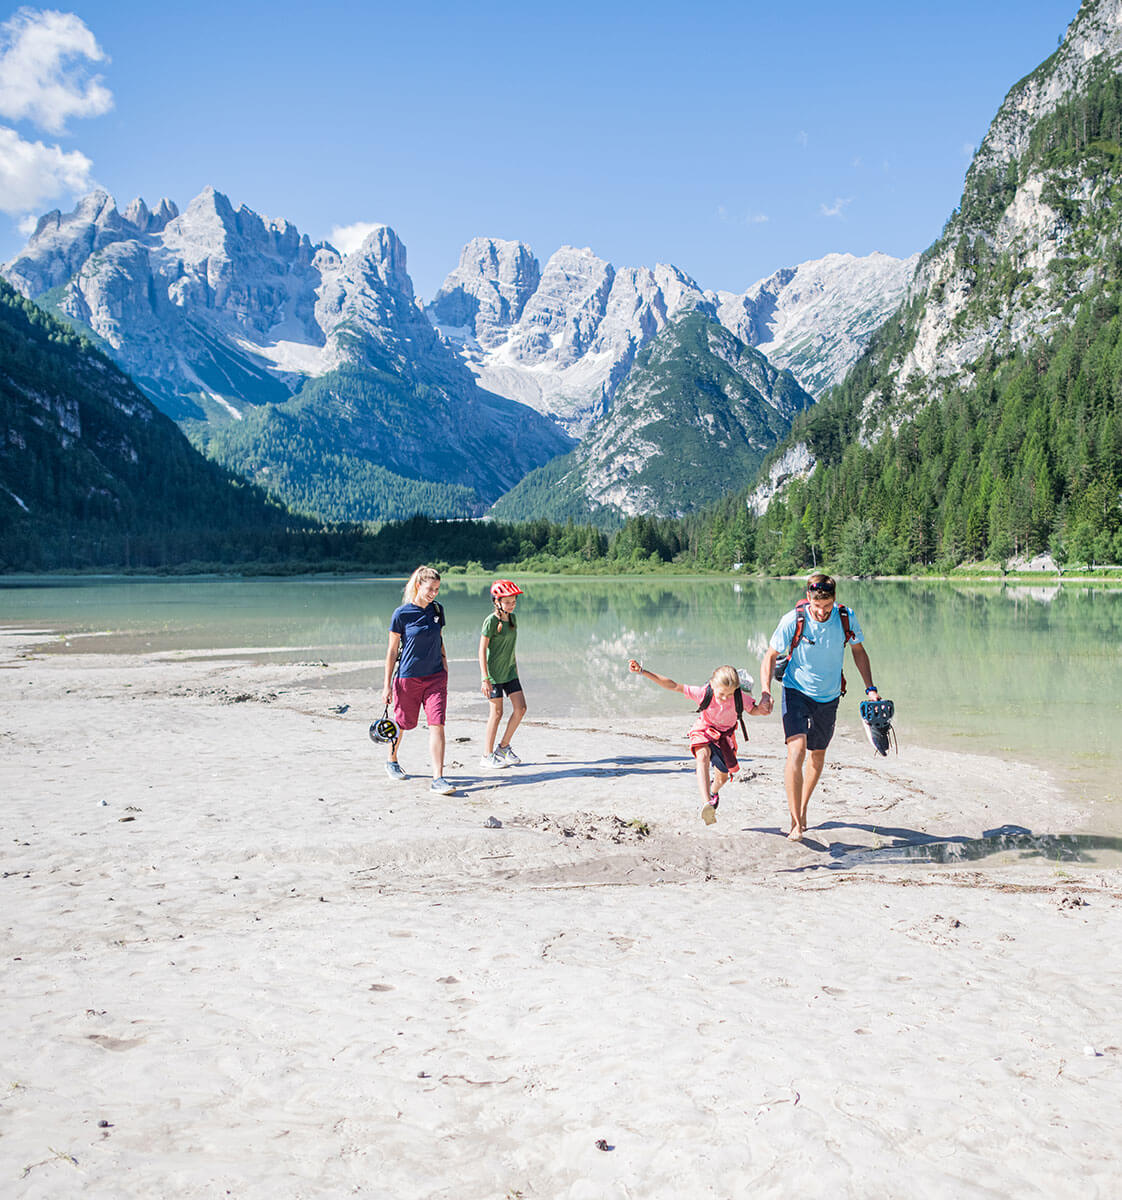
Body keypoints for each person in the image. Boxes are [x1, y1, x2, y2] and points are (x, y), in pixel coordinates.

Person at [758, 572, 879, 841]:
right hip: (796, 691)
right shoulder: (793, 620)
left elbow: (859, 651)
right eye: (817, 605)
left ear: (834, 599)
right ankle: (794, 822)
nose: (822, 612)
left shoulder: (846, 617)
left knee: (817, 754)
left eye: (827, 605)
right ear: (808, 598)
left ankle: (802, 809)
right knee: (797, 750)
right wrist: (766, 691)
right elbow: (770, 656)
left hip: (829, 696)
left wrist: (870, 688)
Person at [628, 659, 765, 825]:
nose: (725, 698)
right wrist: (643, 671)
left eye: (729, 694)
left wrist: (763, 709)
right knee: (702, 756)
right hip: (704, 730)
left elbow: (754, 710)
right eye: (721, 694)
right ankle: (707, 803)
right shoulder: (704, 693)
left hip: (724, 739)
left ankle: (713, 792)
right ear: (713, 685)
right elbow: (673, 685)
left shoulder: (739, 697)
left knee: (722, 779)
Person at [382, 565, 455, 795]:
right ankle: (392, 760)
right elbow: (392, 652)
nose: (434, 593)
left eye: (437, 589)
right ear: (418, 585)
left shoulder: (438, 610)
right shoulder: (401, 614)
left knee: (437, 724)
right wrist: (386, 686)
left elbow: (439, 639)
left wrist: (445, 666)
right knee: (402, 723)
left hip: (435, 678)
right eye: (430, 588)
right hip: (407, 679)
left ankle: (438, 778)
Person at [478, 579, 527, 769]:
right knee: (497, 714)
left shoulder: (513, 619)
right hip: (494, 676)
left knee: (521, 709)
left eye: (514, 601)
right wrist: (485, 678)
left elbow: (511, 648)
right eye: (507, 602)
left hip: (510, 673)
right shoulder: (491, 621)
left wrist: (516, 670)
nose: (511, 605)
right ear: (497, 601)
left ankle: (503, 747)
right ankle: (486, 755)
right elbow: (482, 650)